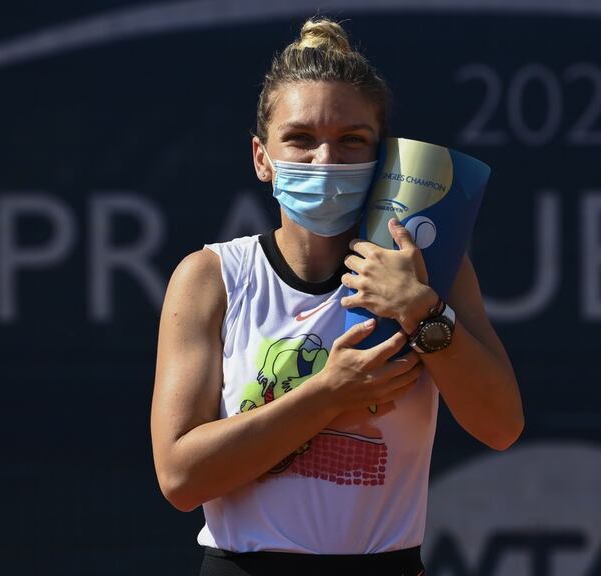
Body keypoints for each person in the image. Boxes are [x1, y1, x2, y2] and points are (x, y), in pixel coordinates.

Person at [150, 17, 523, 575]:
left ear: (382, 157)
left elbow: (500, 427)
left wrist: (422, 312)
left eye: (352, 141)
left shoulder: (430, 271)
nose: (325, 161)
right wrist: (327, 394)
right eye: (300, 139)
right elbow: (180, 478)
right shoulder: (212, 276)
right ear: (261, 157)